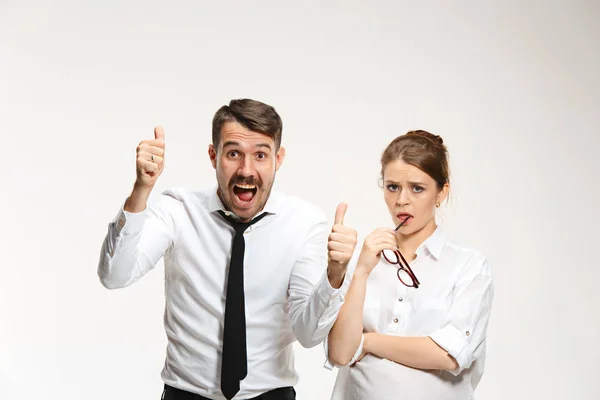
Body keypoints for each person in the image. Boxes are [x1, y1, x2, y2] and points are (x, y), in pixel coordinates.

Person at [97, 99, 357, 400]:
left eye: (261, 155)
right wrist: (141, 189)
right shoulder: (179, 210)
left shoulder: (304, 223)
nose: (246, 170)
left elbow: (309, 334)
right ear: (213, 155)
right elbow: (114, 276)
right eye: (234, 153)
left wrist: (335, 274)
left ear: (278, 159)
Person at [324, 130, 494, 400]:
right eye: (393, 187)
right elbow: (342, 353)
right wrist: (360, 271)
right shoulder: (367, 260)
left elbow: (449, 354)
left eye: (417, 188)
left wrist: (369, 342)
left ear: (441, 192)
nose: (402, 200)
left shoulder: (468, 266)